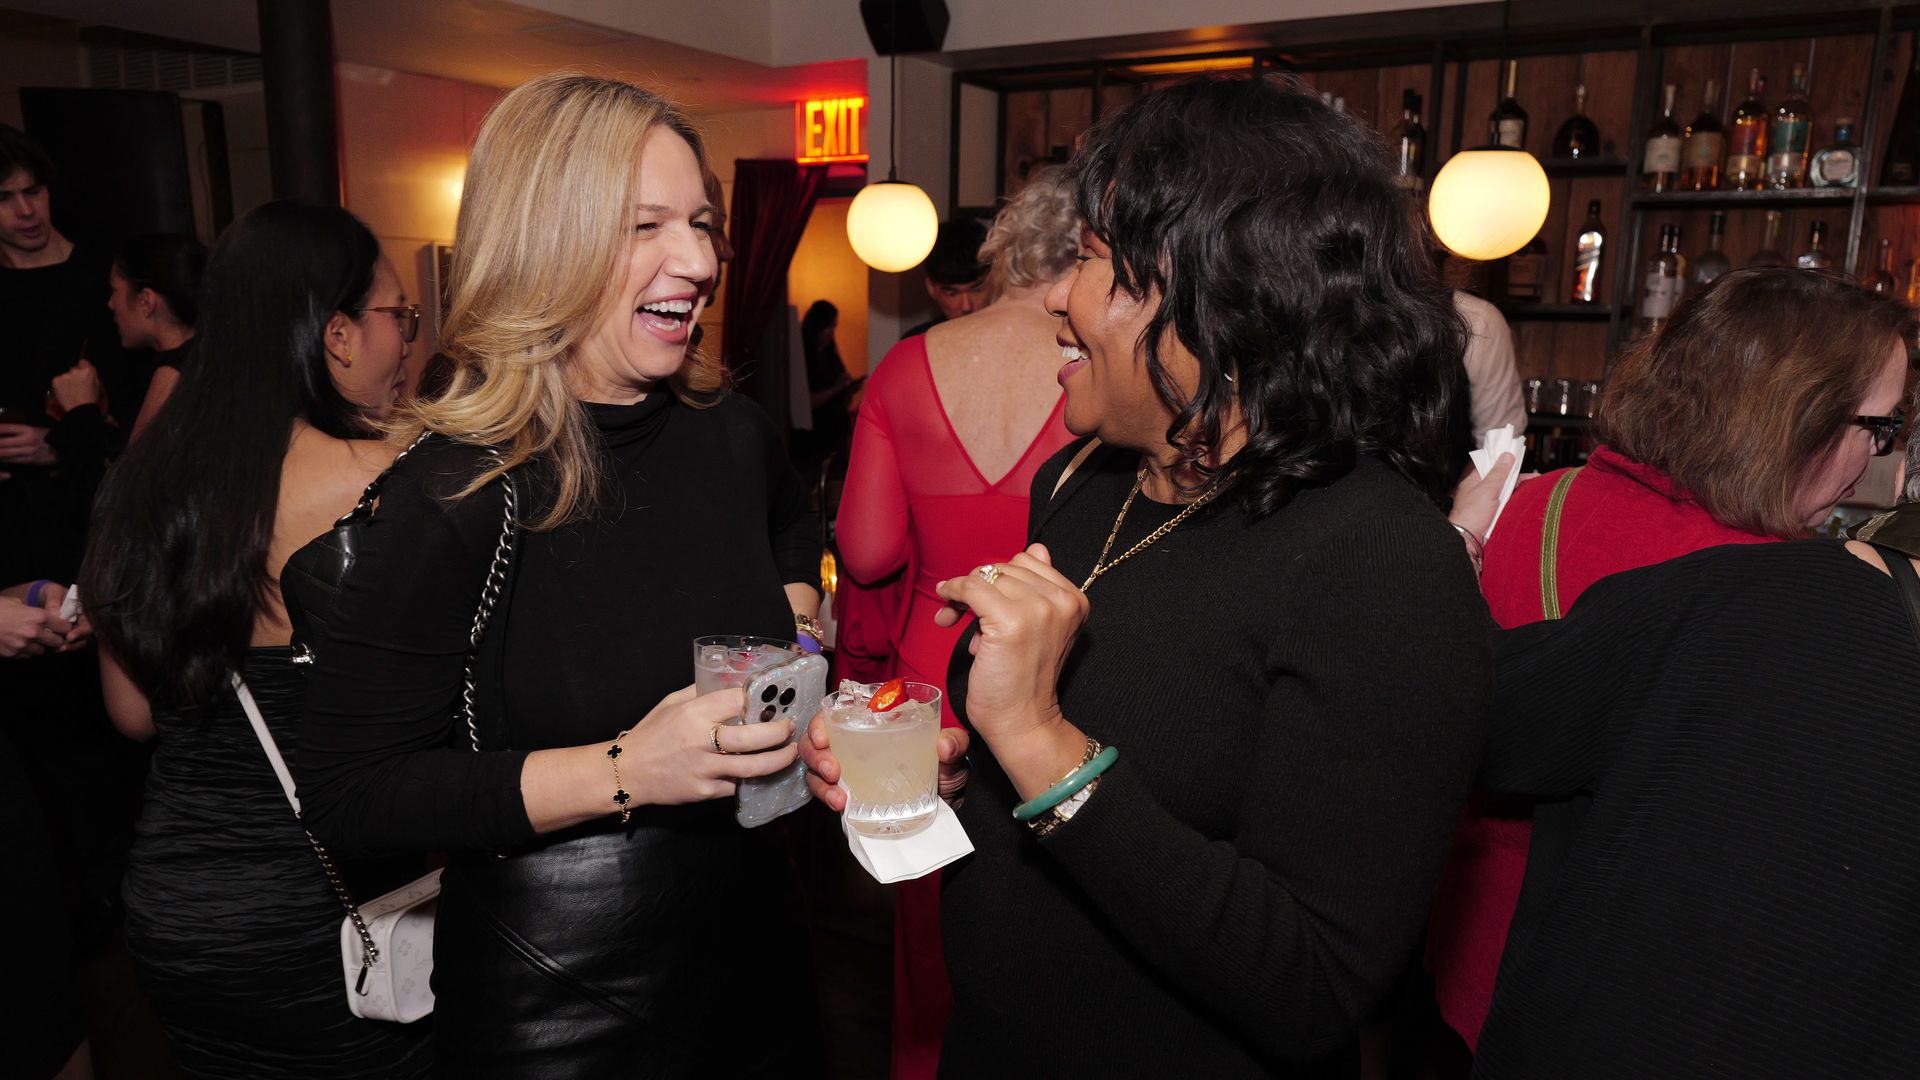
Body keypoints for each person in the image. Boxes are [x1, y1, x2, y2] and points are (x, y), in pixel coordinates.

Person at [807, 76, 1489, 1077]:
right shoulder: (1086, 482)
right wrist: (942, 781)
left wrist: (1038, 743)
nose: (1055, 296)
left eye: (1090, 259)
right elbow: (1063, 816)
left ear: (1221, 295)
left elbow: (1314, 983)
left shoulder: (1382, 562)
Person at [291, 72, 823, 1076]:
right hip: (560, 987)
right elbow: (350, 795)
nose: (699, 261)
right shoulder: (458, 489)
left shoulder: (730, 432)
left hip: (759, 941)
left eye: (702, 224)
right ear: (546, 242)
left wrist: (796, 645)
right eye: (646, 226)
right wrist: (626, 769)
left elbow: (795, 529)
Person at [1427, 267, 1910, 1060]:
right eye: (1879, 427)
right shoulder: (1788, 602)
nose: (1877, 460)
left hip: (1463, 963)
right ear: (1797, 414)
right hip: (1628, 1009)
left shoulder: (1525, 504)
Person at [77, 199, 431, 1077]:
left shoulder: (137, 483)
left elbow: (132, 714)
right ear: (338, 335)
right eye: (400, 316)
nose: (407, 343)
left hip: (173, 908)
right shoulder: (388, 475)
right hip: (329, 908)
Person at [835, 165, 1080, 1080]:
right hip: (1058, 675)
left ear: (1005, 249)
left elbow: (866, 554)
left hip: (929, 678)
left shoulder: (906, 365)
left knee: (929, 917)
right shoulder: (1102, 373)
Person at [105, 233, 207, 440]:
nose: (111, 303)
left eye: (114, 290)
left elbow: (137, 461)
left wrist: (80, 410)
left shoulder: (171, 376)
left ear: (146, 302)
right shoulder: (205, 350)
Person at [797, 299, 862, 469]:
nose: (832, 333)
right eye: (829, 327)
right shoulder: (803, 356)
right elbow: (806, 401)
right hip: (814, 433)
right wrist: (837, 388)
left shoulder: (830, 353)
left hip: (836, 427)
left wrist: (848, 388)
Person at [900, 218, 988, 339]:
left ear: (996, 279)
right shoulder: (917, 342)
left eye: (977, 290)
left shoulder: (1011, 335)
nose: (966, 306)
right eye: (952, 294)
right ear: (931, 288)